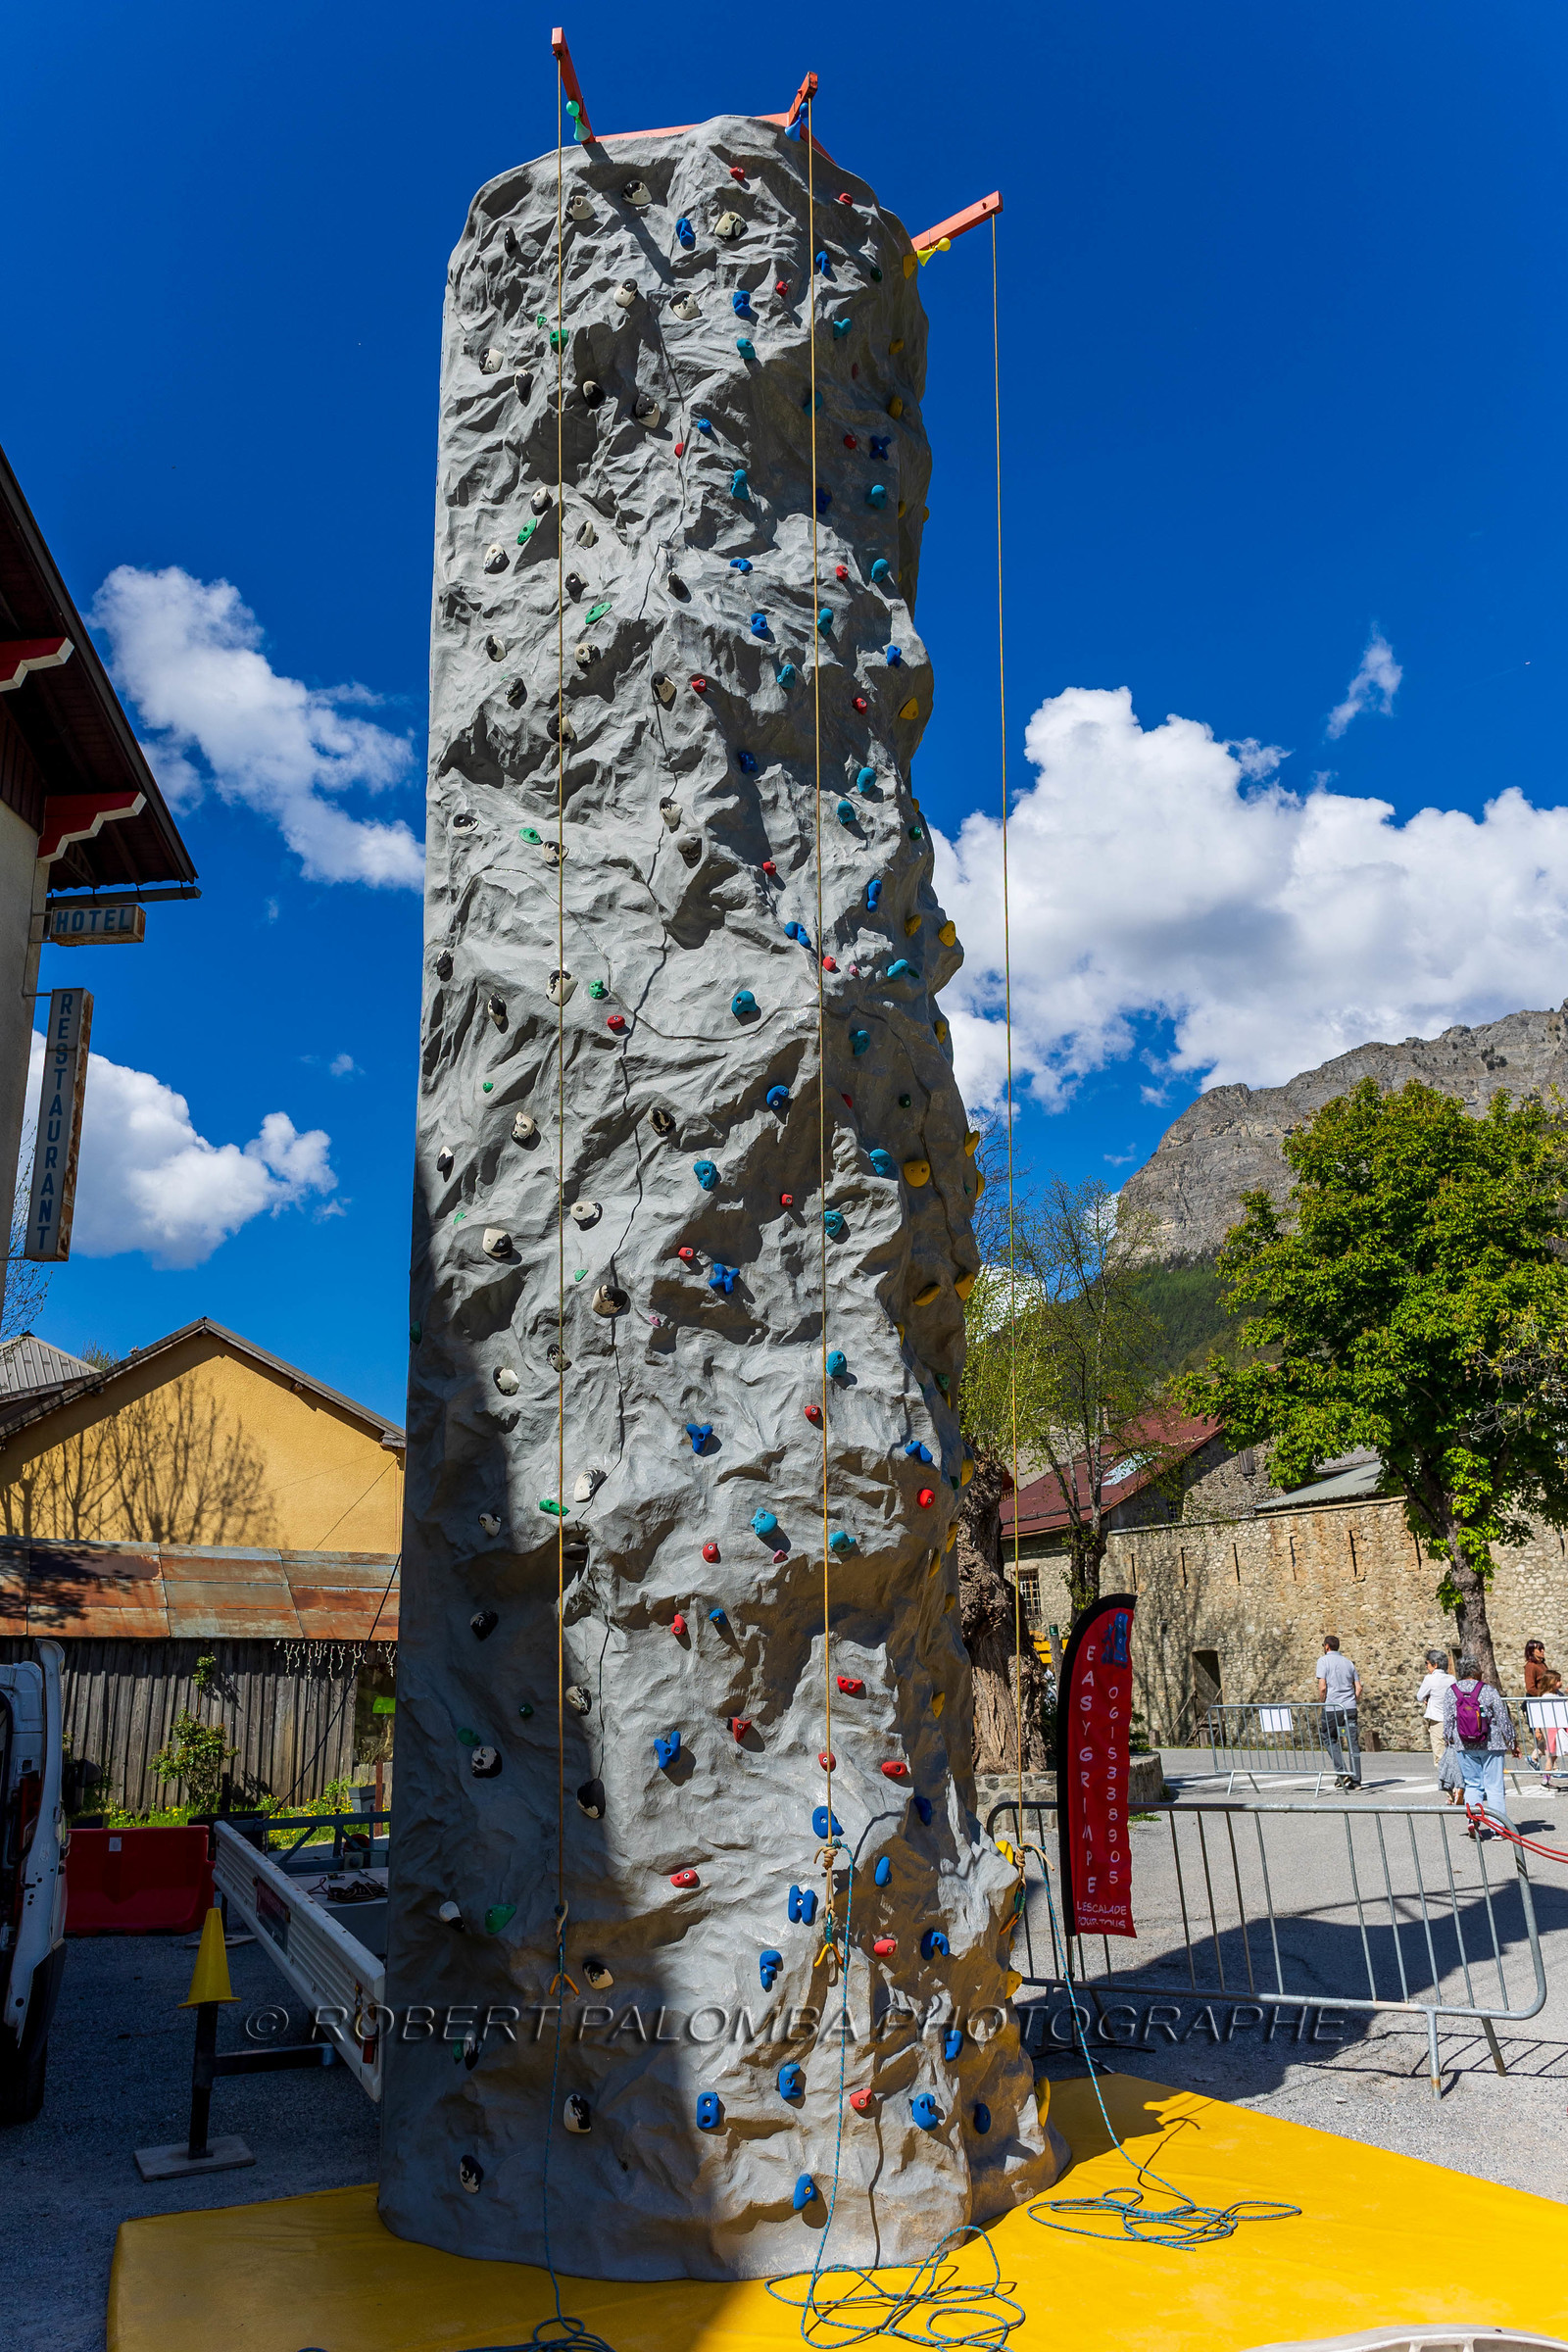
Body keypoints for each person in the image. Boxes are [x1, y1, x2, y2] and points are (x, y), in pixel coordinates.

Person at [1443, 1655, 1519, 1838]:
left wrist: (1449, 1741)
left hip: (1464, 1744)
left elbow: (1448, 1722)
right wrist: (1512, 1742)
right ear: (1475, 1670)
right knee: (1494, 1786)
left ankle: (1473, 1821)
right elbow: (1502, 1718)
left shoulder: (1451, 1692)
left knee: (1472, 1784)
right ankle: (1498, 1829)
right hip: (1491, 1743)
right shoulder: (1488, 1690)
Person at [1314, 1635, 1363, 1790]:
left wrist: (1322, 1702)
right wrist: (1352, 1700)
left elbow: (1322, 1687)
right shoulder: (1349, 1663)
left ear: (1327, 1647)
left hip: (1332, 1707)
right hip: (1349, 1707)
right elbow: (1359, 1688)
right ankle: (1356, 1781)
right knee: (1352, 1743)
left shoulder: (1323, 1661)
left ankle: (1342, 1772)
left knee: (1329, 1737)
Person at [1415, 1648, 1455, 1786]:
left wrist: (1429, 1697)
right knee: (1453, 1753)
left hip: (1437, 1720)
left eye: (1427, 1663)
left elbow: (1419, 1696)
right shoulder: (1452, 1679)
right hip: (1452, 1720)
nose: (1426, 1666)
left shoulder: (1430, 1679)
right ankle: (1457, 1784)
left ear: (1435, 1664)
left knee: (1440, 1754)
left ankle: (1449, 1788)